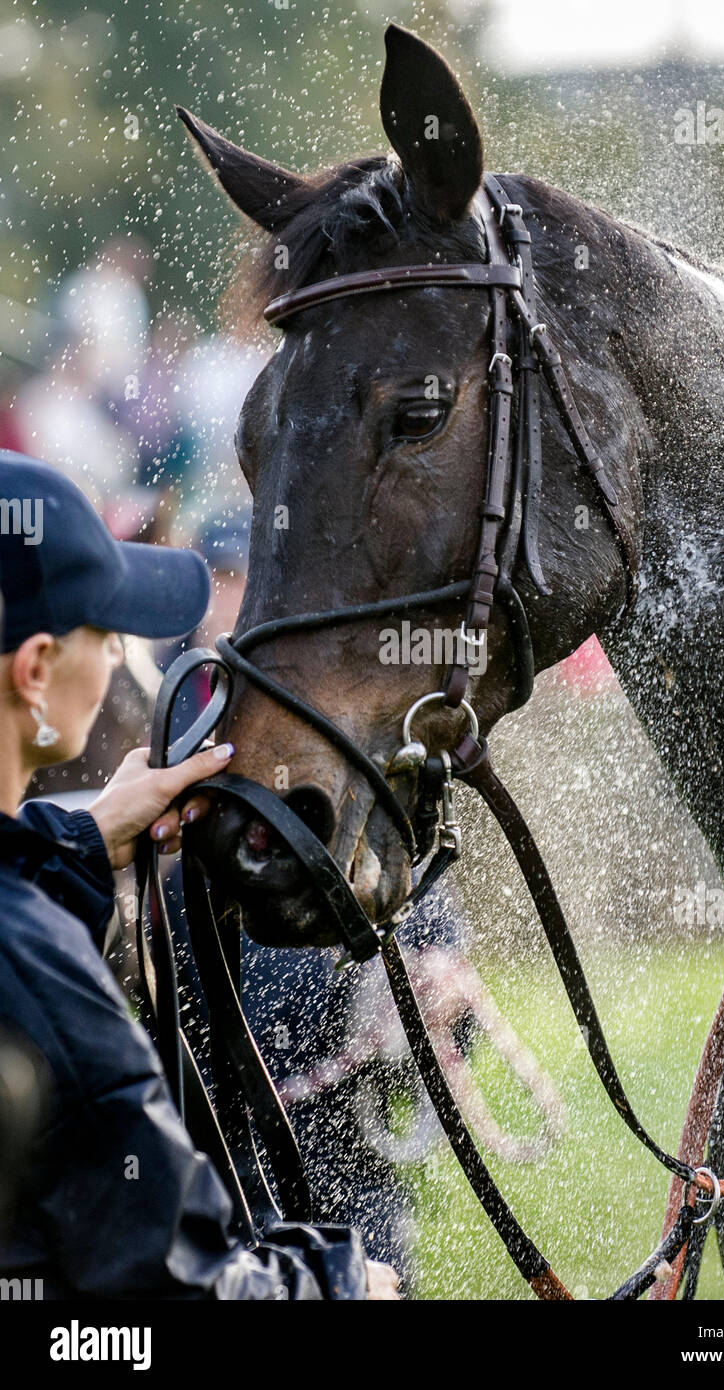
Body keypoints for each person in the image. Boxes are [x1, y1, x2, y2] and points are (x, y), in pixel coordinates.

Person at [0, 450, 398, 1300]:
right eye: (105, 634)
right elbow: (179, 1288)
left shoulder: (25, 913)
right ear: (34, 672)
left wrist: (76, 840)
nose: (117, 660)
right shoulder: (43, 978)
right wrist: (343, 1287)